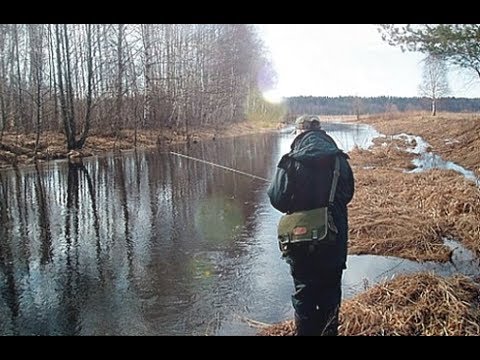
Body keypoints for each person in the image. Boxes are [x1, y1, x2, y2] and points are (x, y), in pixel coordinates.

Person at [267, 114, 355, 336]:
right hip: (334, 240)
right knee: (330, 292)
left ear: (299, 133)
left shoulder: (290, 161)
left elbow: (278, 200)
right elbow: (347, 195)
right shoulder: (340, 160)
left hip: (299, 241)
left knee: (304, 293)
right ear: (320, 132)